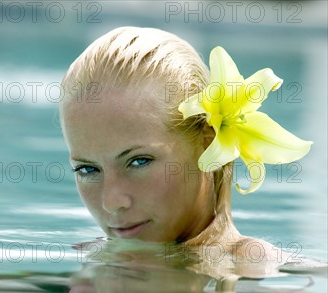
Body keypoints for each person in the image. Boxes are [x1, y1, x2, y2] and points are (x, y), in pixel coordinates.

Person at [59, 26, 312, 263]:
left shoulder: (253, 267)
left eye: (139, 161)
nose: (111, 202)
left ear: (207, 142)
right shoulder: (94, 257)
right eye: (87, 169)